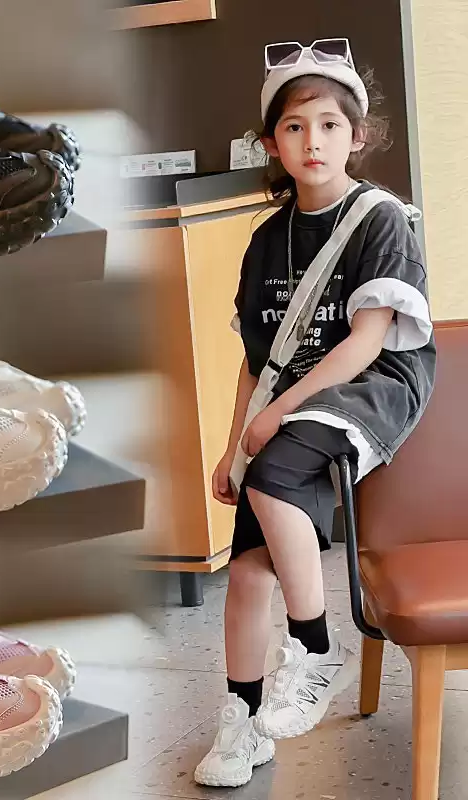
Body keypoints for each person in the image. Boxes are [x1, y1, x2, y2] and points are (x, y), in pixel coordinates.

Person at [194, 39, 436, 788]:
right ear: (271, 143)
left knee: (275, 474)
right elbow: (257, 362)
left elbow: (366, 341)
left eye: (330, 125)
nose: (313, 141)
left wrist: (274, 423)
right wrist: (234, 445)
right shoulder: (266, 241)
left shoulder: (379, 220)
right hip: (289, 405)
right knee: (244, 573)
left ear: (357, 136)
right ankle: (242, 723)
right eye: (294, 127)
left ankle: (316, 646)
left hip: (370, 386)